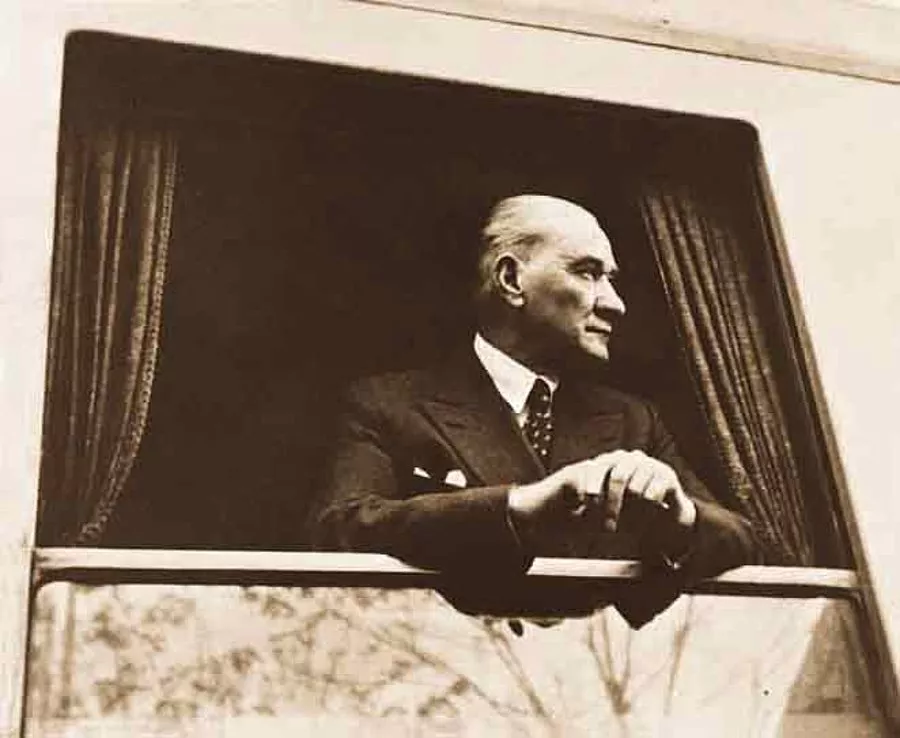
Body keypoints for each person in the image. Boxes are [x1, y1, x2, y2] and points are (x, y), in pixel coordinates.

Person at [311, 194, 762, 626]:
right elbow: (338, 532)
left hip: (605, 668)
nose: (615, 303)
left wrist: (680, 515)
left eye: (610, 279)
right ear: (511, 279)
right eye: (588, 273)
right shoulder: (386, 404)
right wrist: (518, 507)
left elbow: (741, 541)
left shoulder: (633, 420)